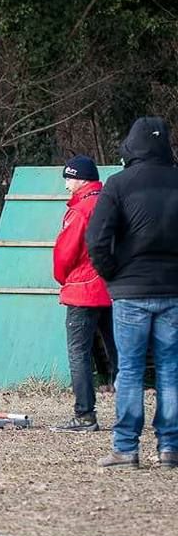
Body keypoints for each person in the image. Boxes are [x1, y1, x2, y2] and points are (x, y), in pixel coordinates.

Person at [86, 116, 178, 469]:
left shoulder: (119, 184)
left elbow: (95, 238)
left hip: (130, 289)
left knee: (130, 369)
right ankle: (170, 447)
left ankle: (126, 448)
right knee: (171, 369)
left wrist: (112, 274)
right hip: (173, 289)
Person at [51, 155, 118, 432]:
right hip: (113, 288)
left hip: (83, 289)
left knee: (78, 353)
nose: (66, 184)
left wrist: (62, 277)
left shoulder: (80, 210)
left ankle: (84, 415)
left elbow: (65, 253)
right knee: (121, 352)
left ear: (80, 179)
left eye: (68, 178)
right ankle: (131, 412)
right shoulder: (111, 203)